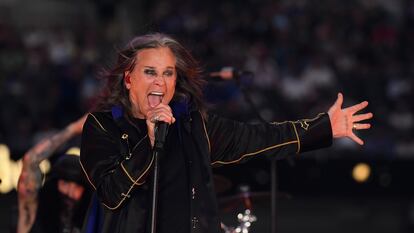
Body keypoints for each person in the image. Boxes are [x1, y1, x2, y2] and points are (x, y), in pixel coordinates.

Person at [79, 33, 373, 233]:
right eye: (150, 72)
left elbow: (258, 138)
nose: (161, 82)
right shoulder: (102, 126)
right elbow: (111, 194)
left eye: (168, 73)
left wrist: (324, 128)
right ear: (129, 78)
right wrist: (150, 141)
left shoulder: (193, 126)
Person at [17, 115, 87, 233]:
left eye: (76, 186)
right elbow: (31, 160)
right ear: (54, 183)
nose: (70, 192)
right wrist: (73, 129)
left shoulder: (92, 216)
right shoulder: (36, 212)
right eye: (65, 183)